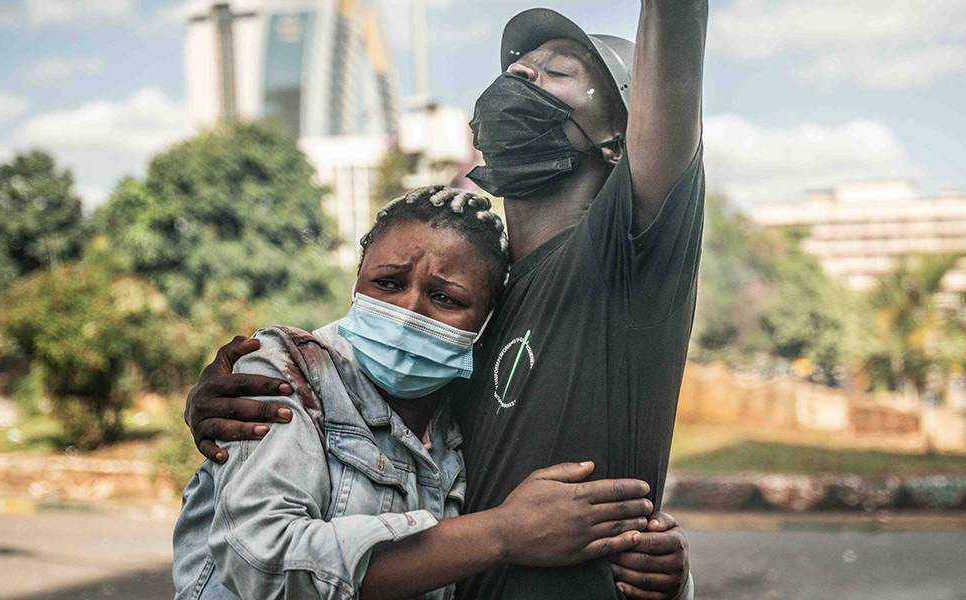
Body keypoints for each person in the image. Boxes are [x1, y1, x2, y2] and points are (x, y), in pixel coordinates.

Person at [185, 3, 707, 599]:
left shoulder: (625, 254)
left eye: (559, 71)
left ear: (621, 136)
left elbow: (676, 47)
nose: (522, 76)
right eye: (518, 69)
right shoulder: (470, 318)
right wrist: (225, 399)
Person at [173, 187, 659, 600]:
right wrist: (504, 533)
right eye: (387, 283)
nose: (408, 310)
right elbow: (261, 561)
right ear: (357, 283)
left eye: (445, 297)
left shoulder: (472, 415)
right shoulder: (287, 371)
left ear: (486, 325)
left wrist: (661, 568)